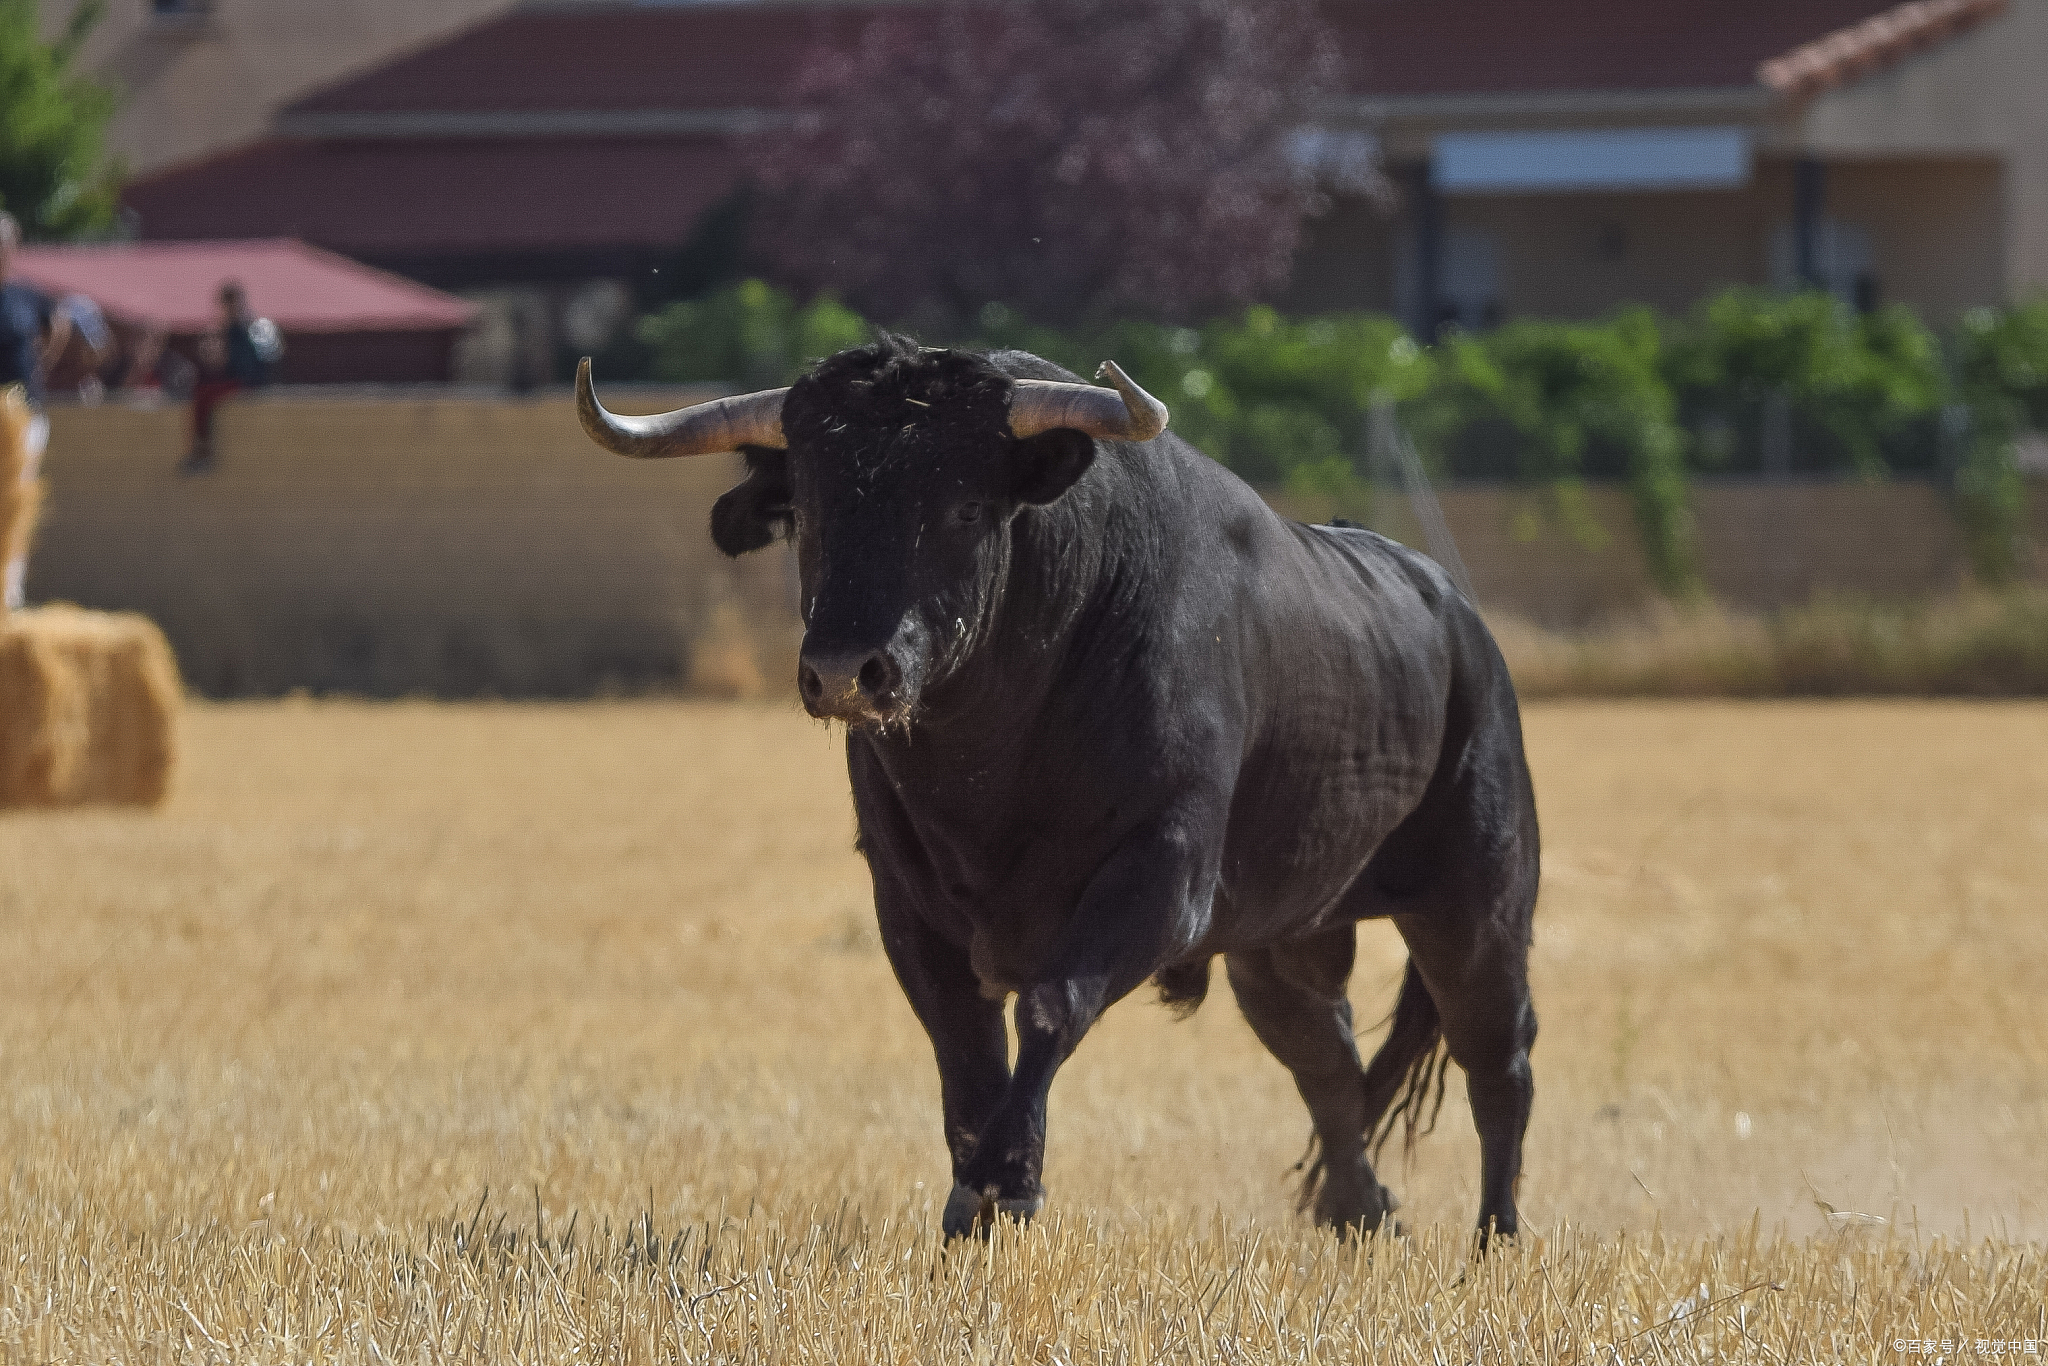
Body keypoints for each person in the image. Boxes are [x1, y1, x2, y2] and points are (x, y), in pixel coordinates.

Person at [1, 210, 72, 610]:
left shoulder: (25, 295)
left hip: (20, 414)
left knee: (16, 501)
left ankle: (9, 594)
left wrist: (41, 363)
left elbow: (57, 324)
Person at [181, 279, 280, 474]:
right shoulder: (231, 328)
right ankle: (200, 448)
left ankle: (202, 451)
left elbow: (265, 359)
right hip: (238, 378)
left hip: (249, 380)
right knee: (202, 393)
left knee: (205, 396)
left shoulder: (253, 326)